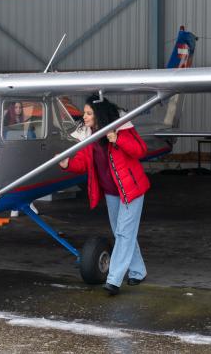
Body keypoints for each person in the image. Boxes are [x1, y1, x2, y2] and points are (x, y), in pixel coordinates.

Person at [59, 94, 149, 296]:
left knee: (124, 233)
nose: (85, 116)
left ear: (99, 114)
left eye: (89, 113)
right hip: (111, 192)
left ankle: (114, 279)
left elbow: (141, 150)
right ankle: (138, 271)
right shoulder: (89, 135)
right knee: (122, 232)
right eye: (85, 112)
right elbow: (83, 161)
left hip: (131, 189)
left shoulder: (121, 128)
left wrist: (117, 140)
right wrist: (68, 164)